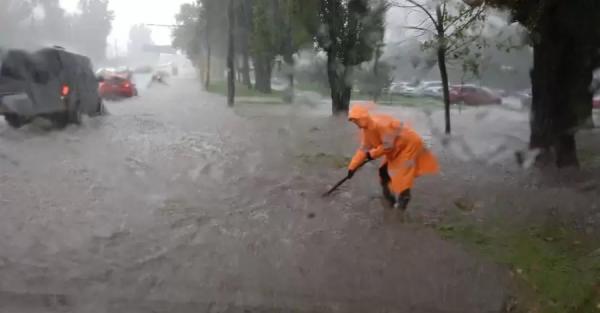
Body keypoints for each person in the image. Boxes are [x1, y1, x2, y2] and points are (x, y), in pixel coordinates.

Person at [347, 104, 439, 210]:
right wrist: (352, 167)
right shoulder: (366, 131)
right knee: (383, 173)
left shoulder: (381, 125)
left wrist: (372, 154)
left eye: (356, 120)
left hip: (408, 146)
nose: (355, 123)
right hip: (396, 150)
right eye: (354, 121)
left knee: (402, 176)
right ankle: (390, 201)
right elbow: (363, 149)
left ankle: (403, 202)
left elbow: (387, 146)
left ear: (363, 118)